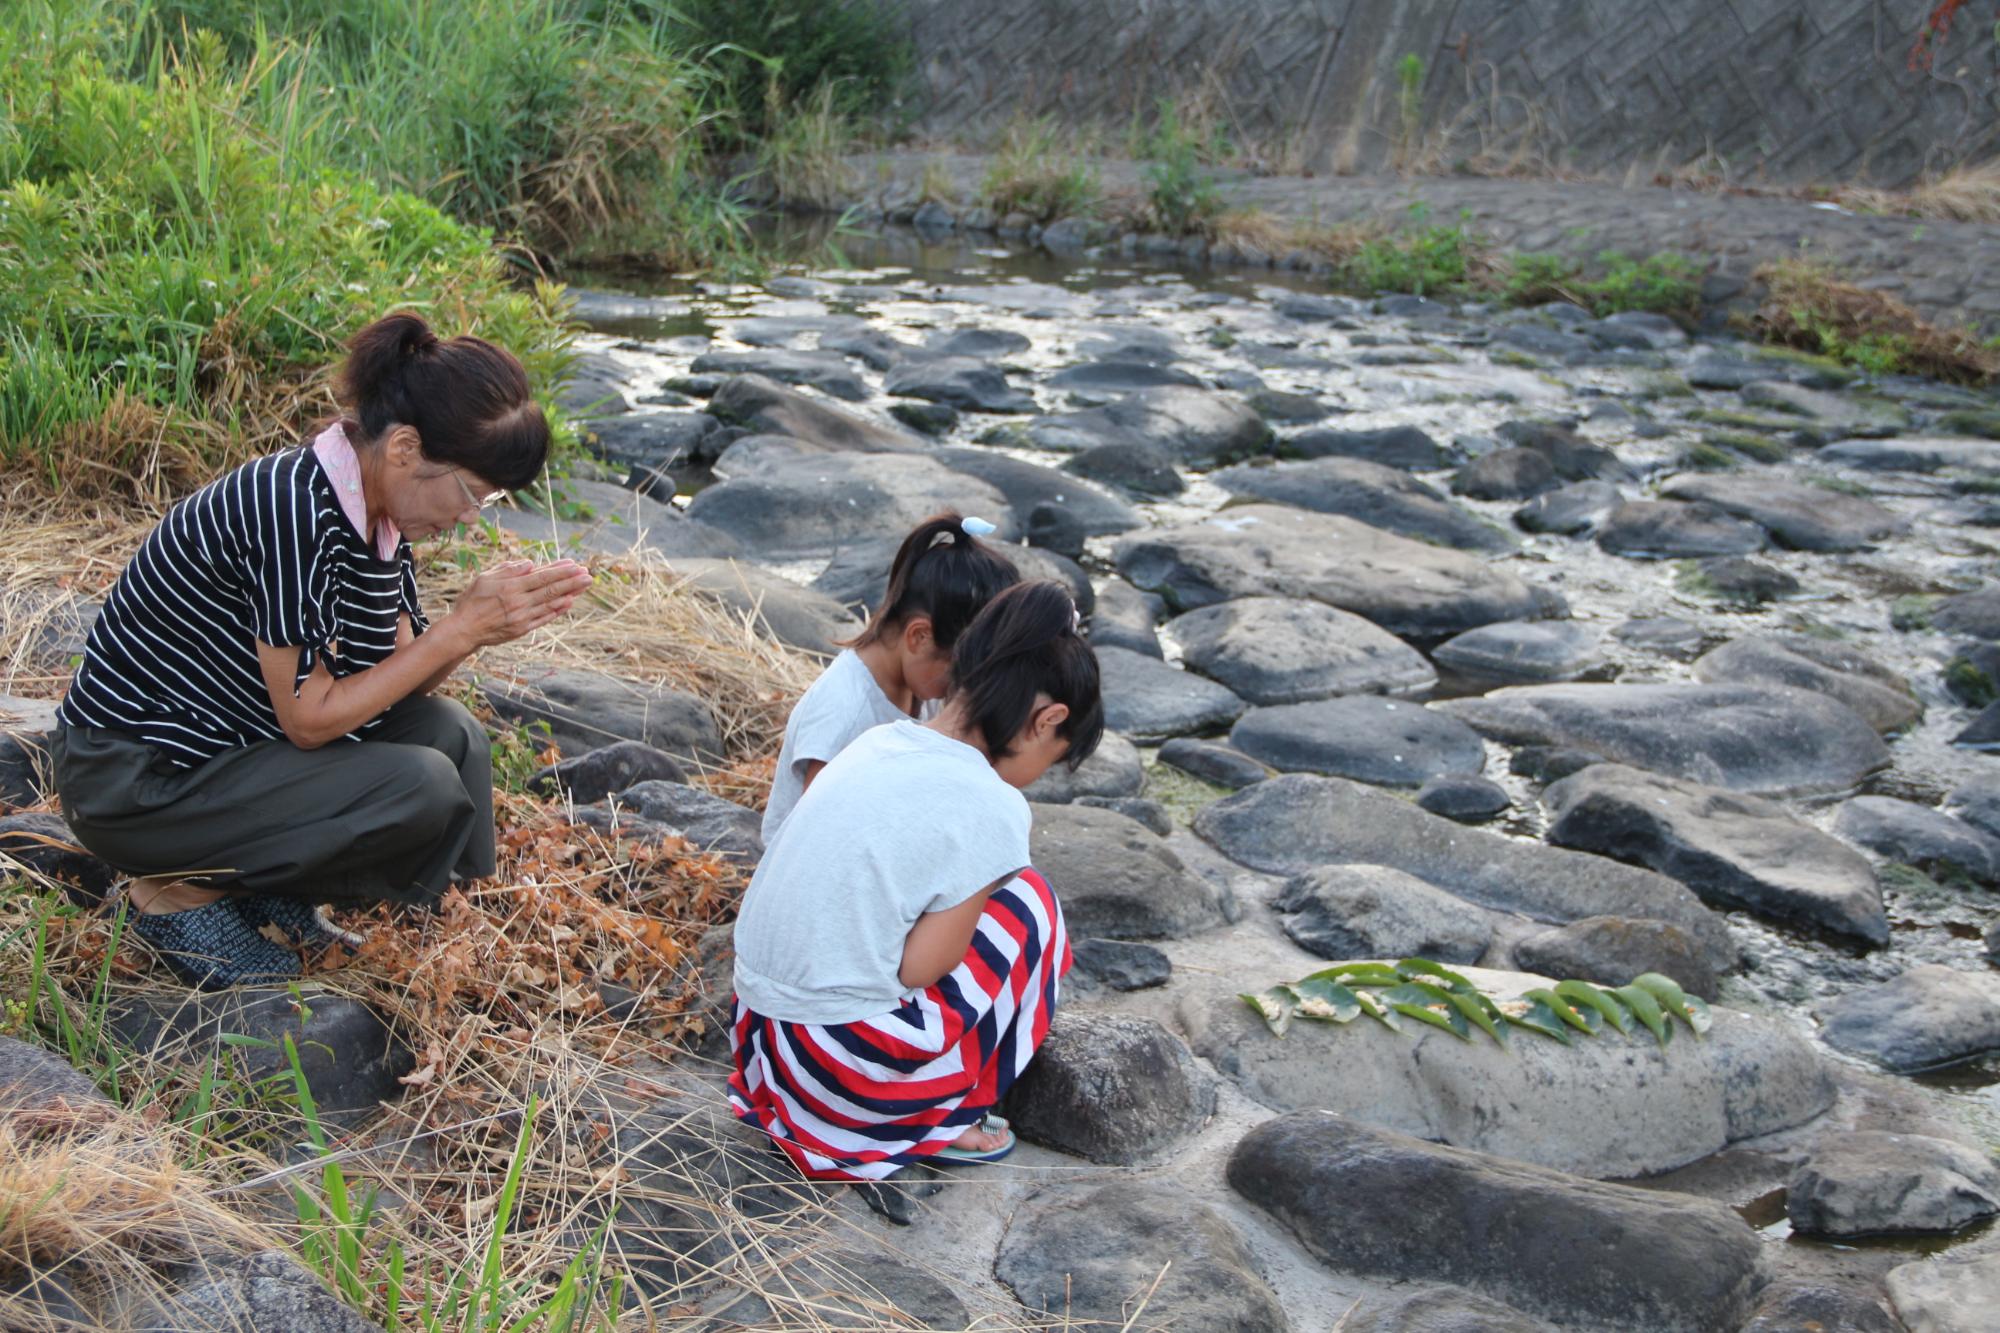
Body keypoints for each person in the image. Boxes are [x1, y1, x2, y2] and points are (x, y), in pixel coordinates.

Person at [50, 312, 593, 988]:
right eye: (470, 492)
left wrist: (472, 627)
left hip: (234, 755)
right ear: (403, 448)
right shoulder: (293, 509)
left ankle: (280, 890)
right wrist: (456, 631)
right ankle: (174, 895)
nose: (469, 516)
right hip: (136, 780)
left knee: (449, 735)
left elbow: (403, 678)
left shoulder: (375, 513)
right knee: (417, 782)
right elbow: (310, 719)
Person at [728, 580, 1103, 1180]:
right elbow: (917, 970)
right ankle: (951, 1116)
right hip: (839, 1080)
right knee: (1032, 905)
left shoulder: (876, 740)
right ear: (1047, 720)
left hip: (762, 1046)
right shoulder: (993, 805)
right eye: (1054, 756)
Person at [760, 512, 1018, 843]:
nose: (959, 691)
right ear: (920, 636)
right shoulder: (845, 711)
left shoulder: (916, 687)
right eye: (960, 673)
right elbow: (817, 837)